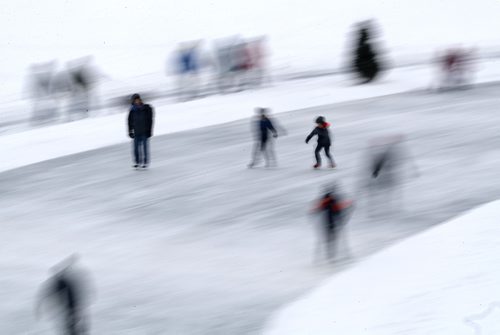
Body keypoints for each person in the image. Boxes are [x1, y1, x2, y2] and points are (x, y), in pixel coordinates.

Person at [35, 255, 94, 335]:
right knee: (74, 326)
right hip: (72, 308)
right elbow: (45, 294)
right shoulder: (62, 282)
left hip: (72, 308)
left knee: (74, 326)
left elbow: (45, 294)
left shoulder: (61, 281)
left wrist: (39, 307)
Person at [312, 185, 353, 261]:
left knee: (329, 239)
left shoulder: (325, 199)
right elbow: (338, 208)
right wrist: (348, 205)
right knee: (332, 238)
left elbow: (317, 208)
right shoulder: (332, 199)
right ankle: (331, 256)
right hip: (332, 221)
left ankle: (329, 256)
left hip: (327, 222)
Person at [127, 93, 154, 169]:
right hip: (136, 132)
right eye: (135, 100)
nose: (137, 101)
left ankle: (145, 162)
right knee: (135, 149)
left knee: (145, 148)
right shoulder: (132, 111)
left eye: (138, 100)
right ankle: (137, 162)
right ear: (133, 101)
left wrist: (149, 131)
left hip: (144, 132)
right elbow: (129, 122)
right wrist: (130, 131)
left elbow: (150, 121)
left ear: (140, 100)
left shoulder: (145, 109)